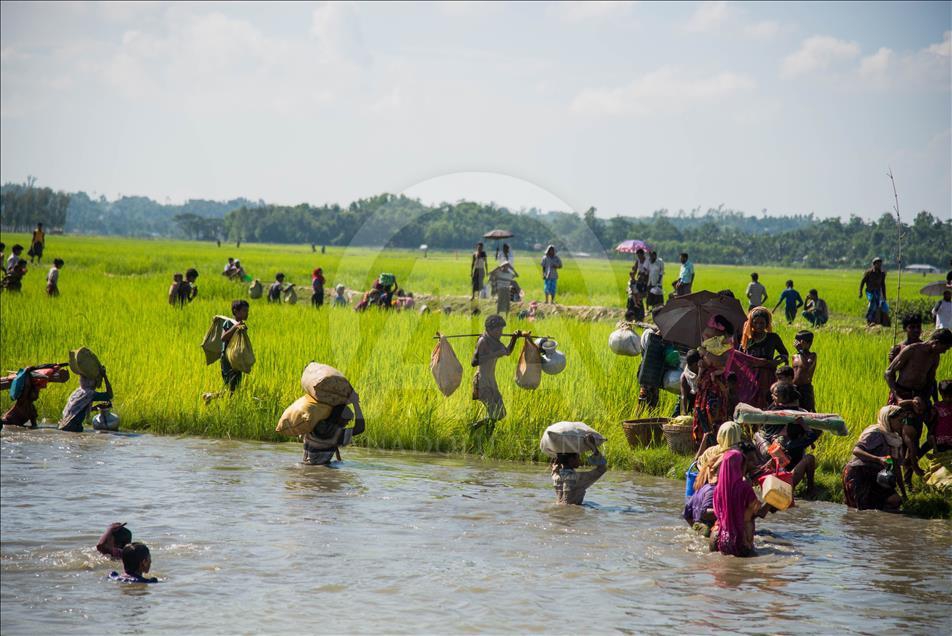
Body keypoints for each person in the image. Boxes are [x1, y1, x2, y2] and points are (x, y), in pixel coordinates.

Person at [885, 328, 952, 483]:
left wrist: (931, 402)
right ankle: (892, 476)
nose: (945, 352)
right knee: (897, 440)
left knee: (916, 438)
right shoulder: (911, 350)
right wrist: (897, 396)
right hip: (902, 395)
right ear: (936, 343)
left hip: (919, 398)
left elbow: (930, 381)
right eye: (945, 348)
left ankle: (908, 479)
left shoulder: (935, 357)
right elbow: (888, 373)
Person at [842, 405, 906, 511]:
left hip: (877, 476)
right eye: (900, 420)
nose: (902, 423)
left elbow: (896, 467)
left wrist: (904, 494)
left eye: (904, 420)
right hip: (859, 472)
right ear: (888, 419)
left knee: (895, 501)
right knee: (862, 510)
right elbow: (856, 451)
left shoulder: (895, 439)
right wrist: (878, 459)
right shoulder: (875, 433)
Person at [761, 383, 820, 493]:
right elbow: (812, 436)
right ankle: (810, 489)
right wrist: (803, 425)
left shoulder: (789, 444)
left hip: (784, 480)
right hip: (781, 479)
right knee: (810, 458)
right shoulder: (791, 442)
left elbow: (812, 436)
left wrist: (802, 424)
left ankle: (810, 489)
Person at [693, 315, 736, 452]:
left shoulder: (726, 345)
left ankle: (715, 444)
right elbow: (705, 363)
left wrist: (705, 356)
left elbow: (720, 364)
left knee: (713, 411)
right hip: (705, 383)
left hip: (716, 383)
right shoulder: (709, 342)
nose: (706, 335)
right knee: (702, 411)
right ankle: (704, 443)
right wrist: (701, 365)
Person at [471, 315, 522, 430]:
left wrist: (514, 338)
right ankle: (476, 430)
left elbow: (507, 351)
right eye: (498, 329)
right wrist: (494, 354)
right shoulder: (483, 341)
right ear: (489, 329)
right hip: (482, 381)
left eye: (501, 329)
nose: (500, 332)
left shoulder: (495, 341)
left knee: (501, 413)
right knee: (493, 414)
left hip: (491, 381)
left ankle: (478, 429)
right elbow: (474, 362)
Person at [710, 449, 762, 557]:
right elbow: (753, 511)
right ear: (739, 467)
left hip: (718, 538)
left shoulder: (717, 490)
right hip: (740, 540)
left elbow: (718, 514)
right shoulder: (745, 488)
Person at [303, 392, 365, 465]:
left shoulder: (314, 425)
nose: (346, 424)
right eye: (346, 421)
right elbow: (360, 428)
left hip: (305, 466)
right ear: (340, 418)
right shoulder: (336, 433)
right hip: (320, 469)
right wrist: (355, 403)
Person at [220, 300, 250, 392]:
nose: (247, 313)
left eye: (247, 311)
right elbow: (223, 338)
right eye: (244, 311)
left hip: (237, 358)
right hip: (228, 359)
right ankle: (210, 396)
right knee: (231, 386)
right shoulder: (229, 323)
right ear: (235, 311)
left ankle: (211, 397)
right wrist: (235, 327)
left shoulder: (242, 325)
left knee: (235, 387)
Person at [792, 331, 817, 412]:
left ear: (808, 343)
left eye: (800, 342)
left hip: (805, 388)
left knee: (807, 411)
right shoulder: (794, 356)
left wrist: (801, 351)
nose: (797, 344)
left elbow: (806, 367)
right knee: (794, 411)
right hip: (794, 388)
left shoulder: (812, 356)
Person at [859, 257, 889, 326]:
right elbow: (862, 282)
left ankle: (881, 321)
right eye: (877, 264)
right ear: (874, 264)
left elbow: (883, 285)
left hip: (878, 292)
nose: (879, 265)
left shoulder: (882, 274)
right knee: (873, 302)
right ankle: (869, 318)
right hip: (870, 292)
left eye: (880, 264)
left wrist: (884, 296)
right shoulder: (868, 273)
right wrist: (860, 292)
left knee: (883, 306)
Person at [926, 380, 952, 453]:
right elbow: (932, 422)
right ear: (941, 394)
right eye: (946, 396)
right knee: (940, 459)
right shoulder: (937, 407)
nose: (948, 399)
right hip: (940, 439)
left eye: (951, 397)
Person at [680, 349, 700, 416]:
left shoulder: (701, 370)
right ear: (695, 364)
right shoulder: (684, 377)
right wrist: (684, 412)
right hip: (690, 398)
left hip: (699, 399)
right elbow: (683, 396)